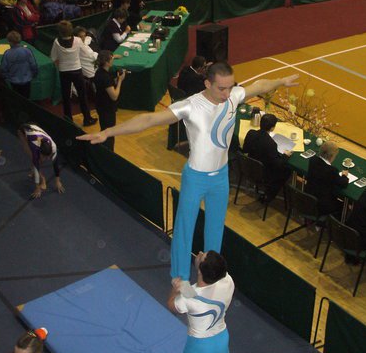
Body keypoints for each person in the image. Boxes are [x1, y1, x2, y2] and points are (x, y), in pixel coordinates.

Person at [77, 61, 298, 282]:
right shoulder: (190, 106)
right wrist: (108, 132)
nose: (227, 93)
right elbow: (148, 120)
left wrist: (280, 81)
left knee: (215, 230)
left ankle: (211, 275)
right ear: (207, 84)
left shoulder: (233, 96)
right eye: (221, 88)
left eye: (230, 87)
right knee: (184, 229)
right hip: (196, 178)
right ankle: (179, 277)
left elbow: (259, 85)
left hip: (221, 177)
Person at [50, 20, 97, 127]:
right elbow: (87, 53)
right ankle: (87, 118)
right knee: (82, 95)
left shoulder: (56, 42)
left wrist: (61, 64)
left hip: (64, 72)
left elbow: (53, 58)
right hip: (77, 71)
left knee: (66, 97)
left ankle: (68, 119)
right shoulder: (78, 40)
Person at [242, 113, 292, 204]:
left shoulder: (251, 133)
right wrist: (285, 155)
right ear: (272, 128)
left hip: (248, 167)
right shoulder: (271, 144)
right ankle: (269, 195)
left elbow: (245, 149)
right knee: (287, 170)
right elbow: (278, 164)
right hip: (263, 174)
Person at [17, 123, 64, 198]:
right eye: (45, 157)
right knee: (35, 160)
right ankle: (42, 178)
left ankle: (34, 172)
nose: (48, 159)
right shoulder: (35, 147)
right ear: (40, 152)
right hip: (22, 132)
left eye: (48, 156)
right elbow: (37, 167)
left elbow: (55, 164)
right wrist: (37, 188)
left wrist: (58, 181)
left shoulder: (53, 147)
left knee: (39, 161)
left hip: (34, 131)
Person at [305, 140, 349, 218]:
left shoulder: (313, 160)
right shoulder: (332, 170)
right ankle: (329, 223)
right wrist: (344, 175)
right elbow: (343, 184)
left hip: (308, 196)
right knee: (344, 207)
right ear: (332, 156)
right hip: (322, 204)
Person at [93, 50, 125, 152]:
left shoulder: (99, 72)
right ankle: (109, 153)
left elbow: (106, 86)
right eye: (111, 59)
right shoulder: (105, 77)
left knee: (104, 130)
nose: (113, 60)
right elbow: (114, 96)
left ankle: (104, 150)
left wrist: (115, 80)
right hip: (107, 108)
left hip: (101, 105)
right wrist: (120, 81)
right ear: (107, 62)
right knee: (109, 133)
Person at [0, 30, 39, 98]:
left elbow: (3, 68)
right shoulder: (27, 51)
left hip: (14, 81)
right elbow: (34, 65)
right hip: (27, 80)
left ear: (9, 42)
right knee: (26, 98)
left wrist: (7, 77)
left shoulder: (7, 54)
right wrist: (34, 74)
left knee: (17, 98)